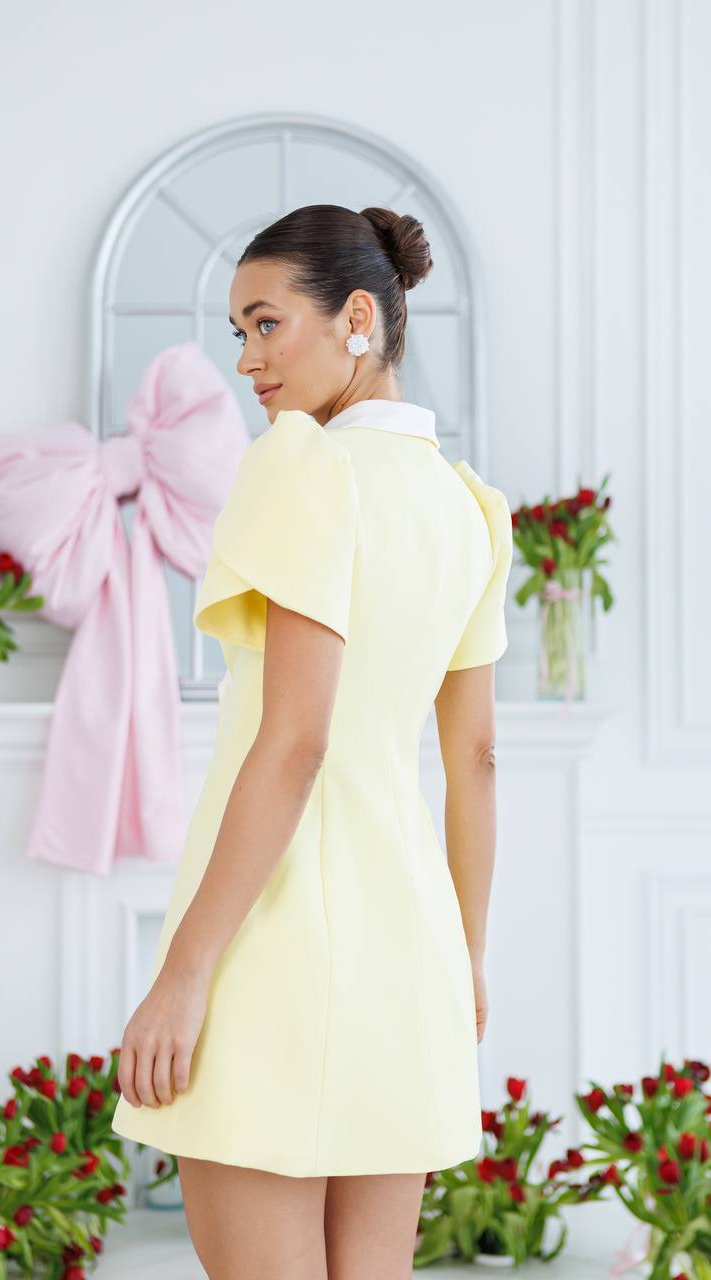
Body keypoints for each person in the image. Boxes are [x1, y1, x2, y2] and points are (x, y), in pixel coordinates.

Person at [111, 203, 513, 1279]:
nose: (247, 360)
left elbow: (294, 743)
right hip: (410, 944)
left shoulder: (300, 466)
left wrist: (183, 973)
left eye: (265, 324)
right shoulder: (470, 507)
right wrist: (467, 953)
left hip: (272, 943)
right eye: (238, 333)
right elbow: (474, 759)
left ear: (357, 318)